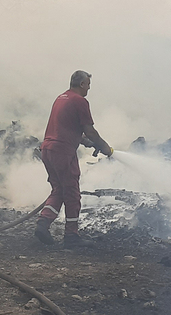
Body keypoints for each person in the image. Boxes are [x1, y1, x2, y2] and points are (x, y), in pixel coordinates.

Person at [35, 70, 113, 247]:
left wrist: (85, 142)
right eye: (88, 86)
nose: (88, 89)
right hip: (62, 152)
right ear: (82, 84)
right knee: (71, 193)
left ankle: (43, 223)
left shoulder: (61, 98)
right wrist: (105, 146)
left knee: (58, 190)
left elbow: (66, 127)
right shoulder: (80, 101)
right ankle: (71, 235)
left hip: (48, 149)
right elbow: (90, 130)